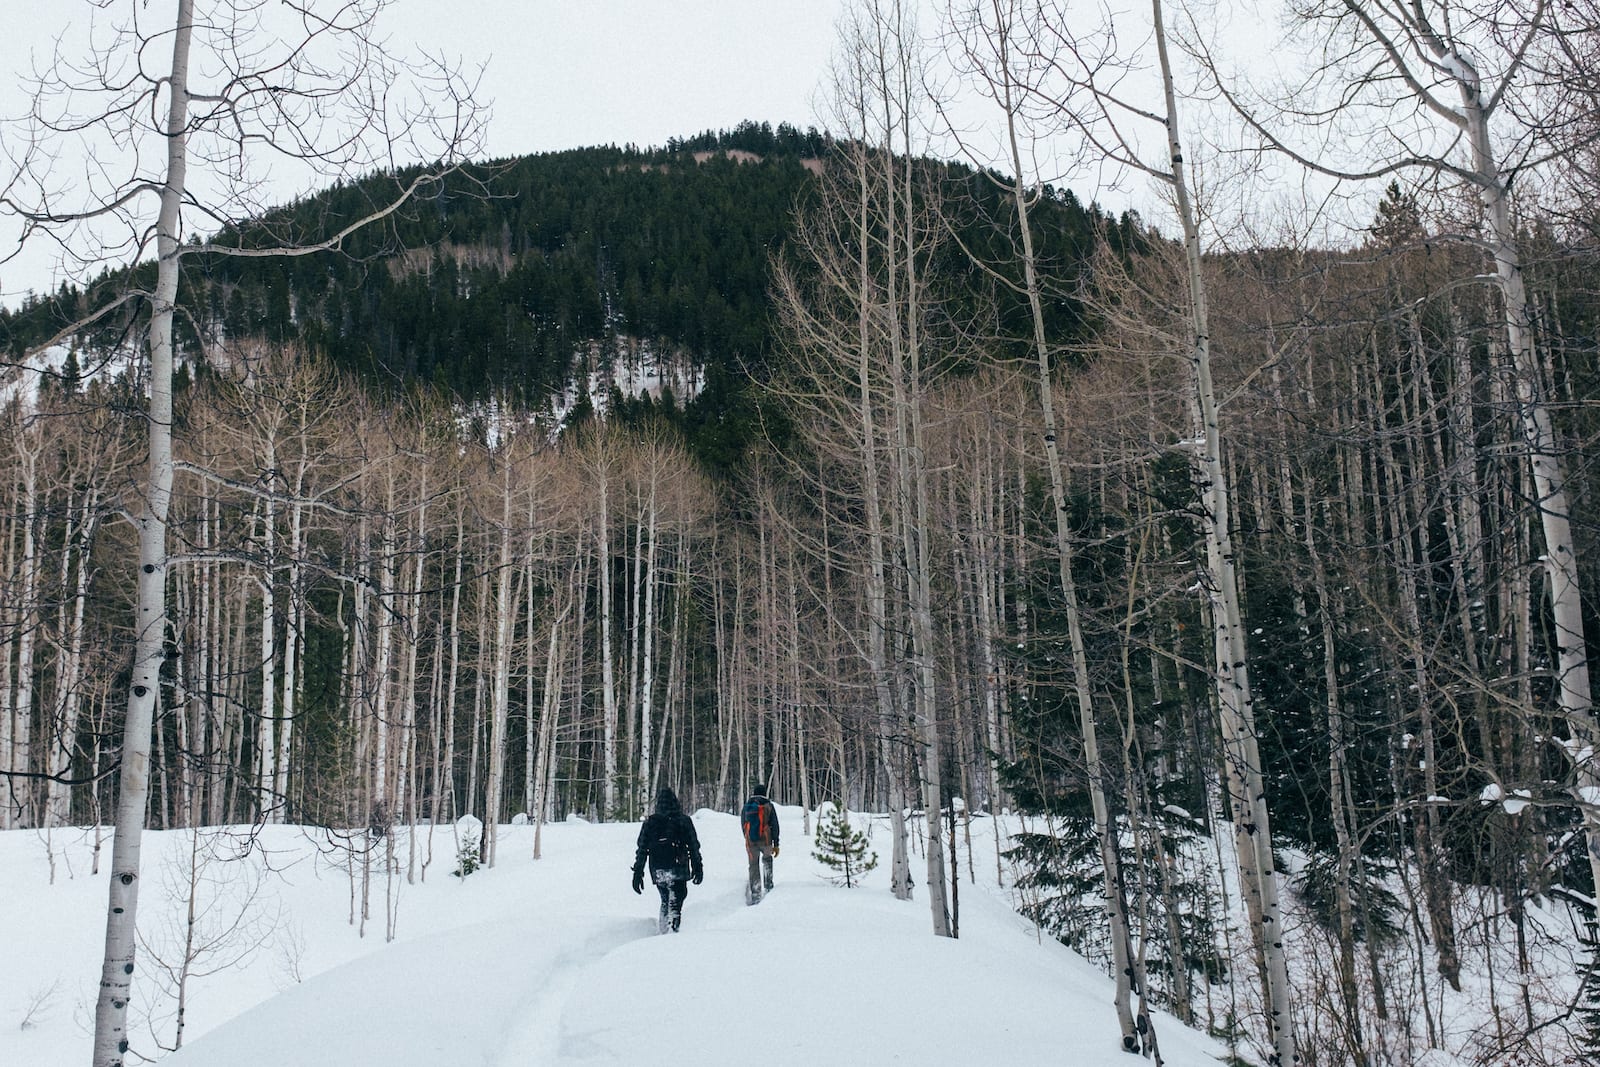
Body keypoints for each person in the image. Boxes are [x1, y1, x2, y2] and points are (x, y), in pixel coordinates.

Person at [631, 787, 703, 933]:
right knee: (677, 900)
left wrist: (638, 872)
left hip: (658, 869)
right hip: (679, 868)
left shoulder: (650, 822)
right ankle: (671, 933)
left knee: (665, 898)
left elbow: (642, 849)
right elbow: (693, 846)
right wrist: (697, 866)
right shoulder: (683, 820)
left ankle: (665, 930)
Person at [740, 785, 780, 904]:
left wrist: (747, 837)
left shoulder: (747, 806)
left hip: (750, 841)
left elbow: (743, 822)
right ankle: (768, 887)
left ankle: (756, 894)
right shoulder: (768, 806)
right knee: (767, 861)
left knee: (753, 866)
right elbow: (775, 825)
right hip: (766, 840)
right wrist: (776, 843)